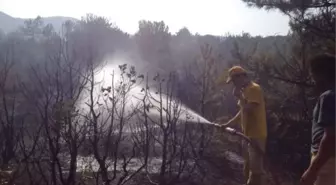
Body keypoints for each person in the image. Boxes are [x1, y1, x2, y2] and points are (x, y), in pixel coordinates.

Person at [216, 66, 268, 185]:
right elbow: (242, 113)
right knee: (247, 167)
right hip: (247, 135)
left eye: (234, 80)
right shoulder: (245, 91)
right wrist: (227, 125)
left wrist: (239, 96)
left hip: (256, 135)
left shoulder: (254, 89)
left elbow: (249, 109)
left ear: (241, 76)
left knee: (256, 171)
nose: (233, 84)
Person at [300, 54, 336, 185]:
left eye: (313, 74)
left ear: (322, 74)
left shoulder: (329, 97)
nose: (312, 79)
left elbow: (331, 138)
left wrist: (312, 171)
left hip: (328, 162)